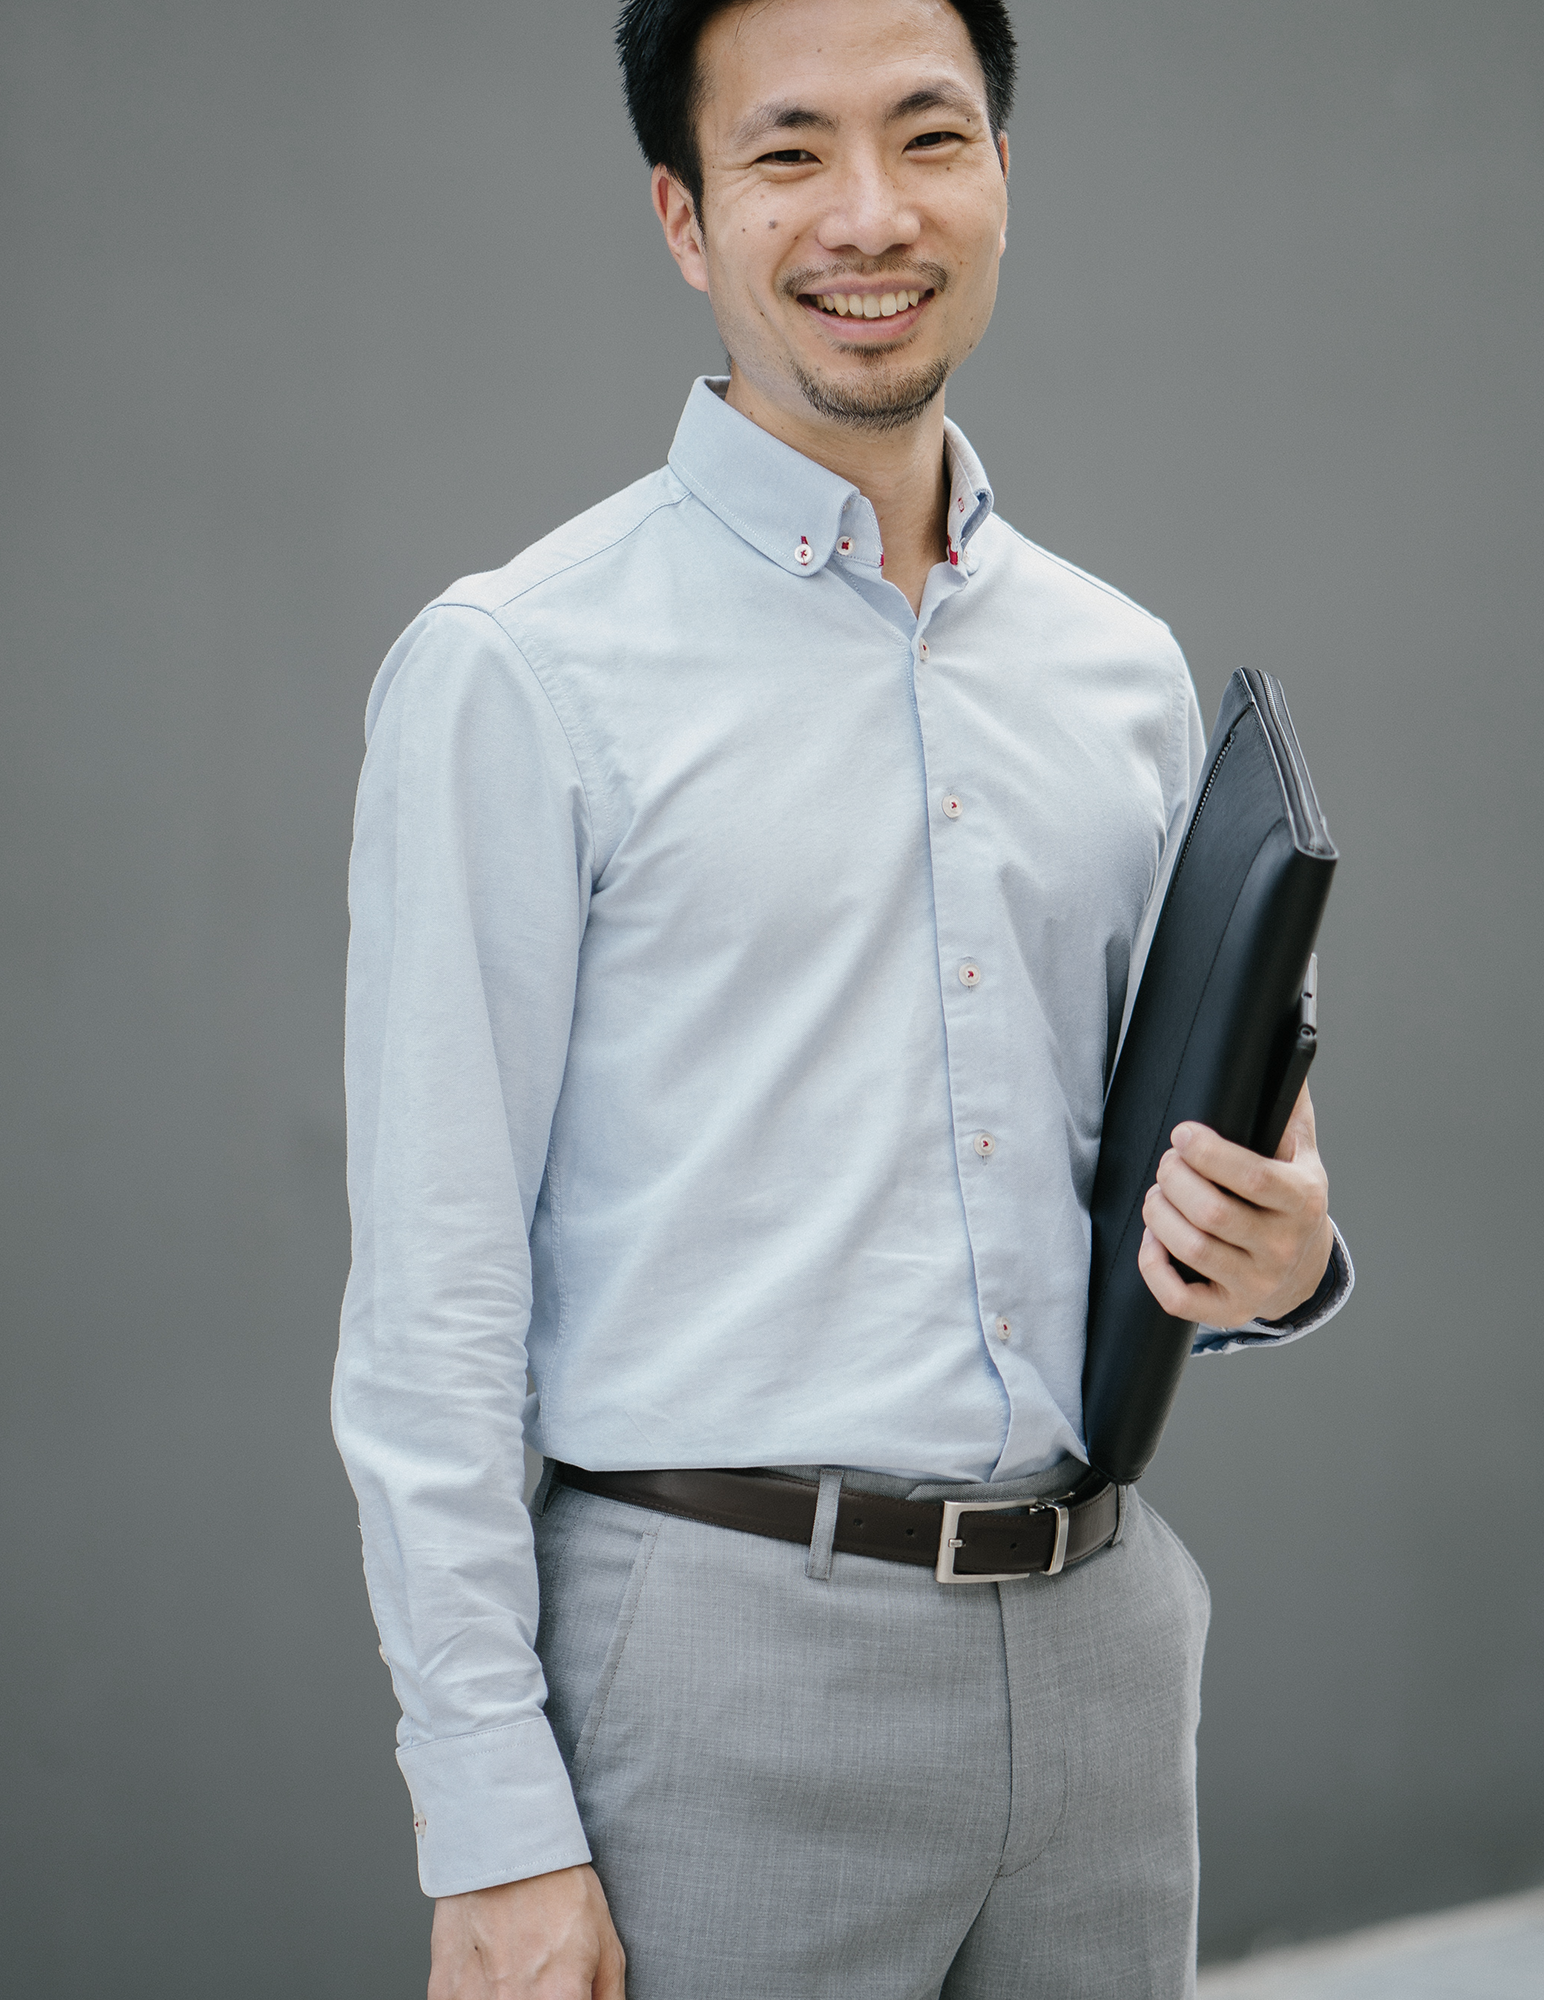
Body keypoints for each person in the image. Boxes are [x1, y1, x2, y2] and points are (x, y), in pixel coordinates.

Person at [333, 1, 1353, 1994]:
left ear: (1002, 177)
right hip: (719, 1683)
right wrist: (491, 1821)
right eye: (789, 151)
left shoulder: (1120, 670)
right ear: (683, 215)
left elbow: (1177, 1155)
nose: (870, 214)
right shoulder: (517, 670)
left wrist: (1282, 1257)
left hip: (1100, 1644)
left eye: (929, 137)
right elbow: (431, 1309)